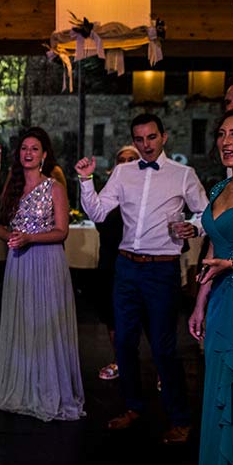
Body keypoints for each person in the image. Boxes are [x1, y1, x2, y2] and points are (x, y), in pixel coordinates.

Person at [76, 113, 209, 443]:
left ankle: (180, 418)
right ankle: (133, 407)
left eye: (151, 137)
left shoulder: (183, 174)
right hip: (126, 268)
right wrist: (85, 180)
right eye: (139, 139)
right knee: (123, 343)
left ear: (163, 137)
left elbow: (207, 213)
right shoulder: (123, 172)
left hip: (161, 269)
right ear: (133, 141)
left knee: (164, 348)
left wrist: (195, 228)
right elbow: (97, 212)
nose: (146, 144)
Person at [0, 128, 85, 421]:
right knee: (23, 323)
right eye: (24, 148)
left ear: (44, 155)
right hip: (19, 261)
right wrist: (11, 237)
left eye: (34, 148)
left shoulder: (53, 186)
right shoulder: (12, 185)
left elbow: (61, 231)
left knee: (45, 324)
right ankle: (22, 387)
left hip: (46, 260)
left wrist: (30, 238)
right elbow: (0, 225)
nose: (28, 153)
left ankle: (49, 390)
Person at [188, 108, 233, 465]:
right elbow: (214, 246)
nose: (226, 142)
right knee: (218, 399)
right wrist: (200, 300)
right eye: (221, 134)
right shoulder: (217, 190)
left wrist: (232, 265)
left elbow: (227, 257)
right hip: (221, 304)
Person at [92, 145, 140, 381]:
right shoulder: (108, 193)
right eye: (122, 159)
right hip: (111, 263)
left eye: (132, 159)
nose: (127, 163)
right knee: (112, 317)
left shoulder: (146, 193)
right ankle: (119, 360)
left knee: (148, 318)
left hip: (139, 264)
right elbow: (99, 220)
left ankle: (162, 369)